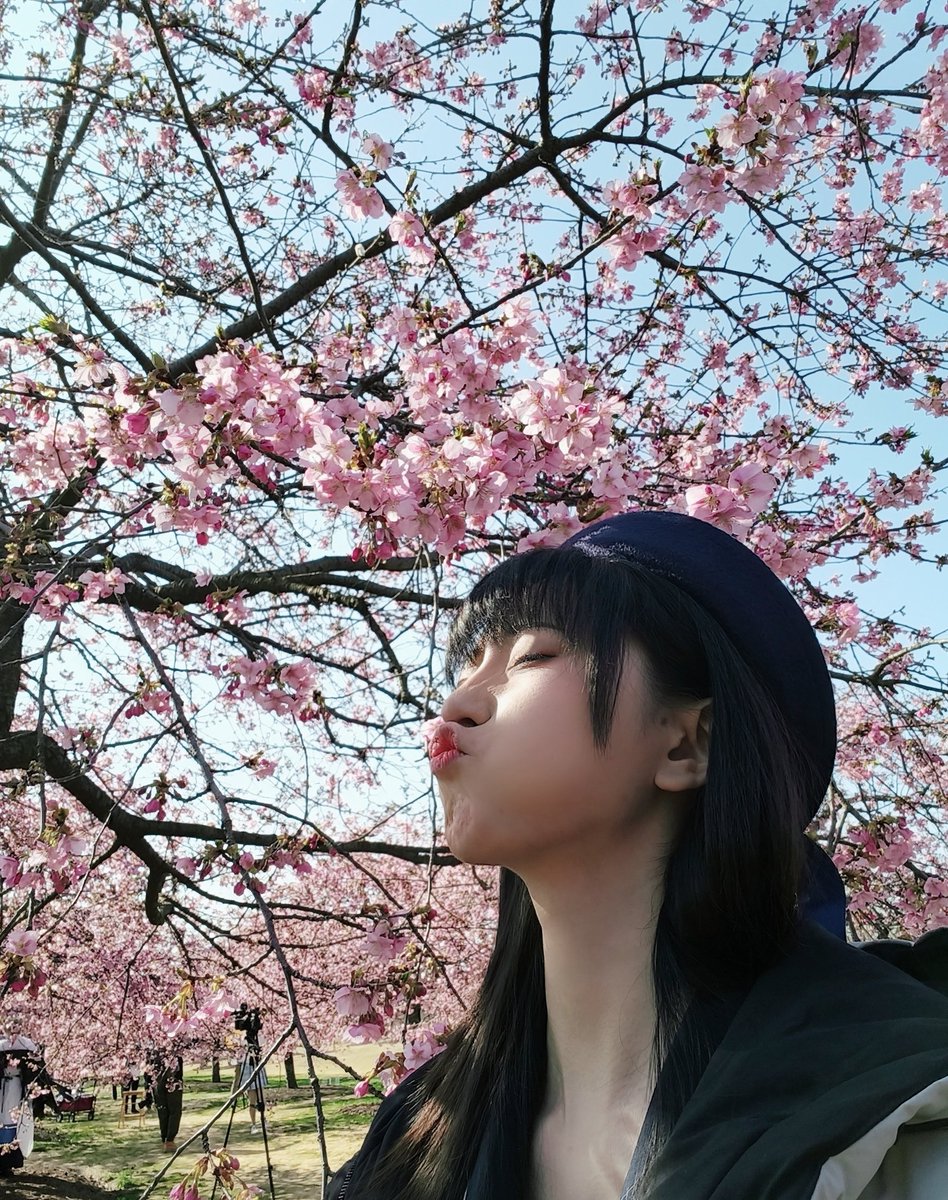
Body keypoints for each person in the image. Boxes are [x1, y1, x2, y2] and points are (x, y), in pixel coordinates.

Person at [325, 511, 948, 1200]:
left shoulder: (890, 1125)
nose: (458, 702)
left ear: (686, 744)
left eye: (532, 656)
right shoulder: (415, 1132)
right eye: (468, 664)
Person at [0, 1030, 39, 1176]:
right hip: (6, 1086)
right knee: (8, 1119)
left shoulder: (24, 1043)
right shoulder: (22, 1044)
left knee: (12, 1120)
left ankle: (7, 1162)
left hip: (15, 1087)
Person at [149, 1051, 183, 1151]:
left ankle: (166, 1139)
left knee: (163, 1110)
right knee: (174, 1110)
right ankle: (169, 1140)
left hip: (157, 1080)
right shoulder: (175, 1049)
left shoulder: (154, 1050)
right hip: (172, 1079)